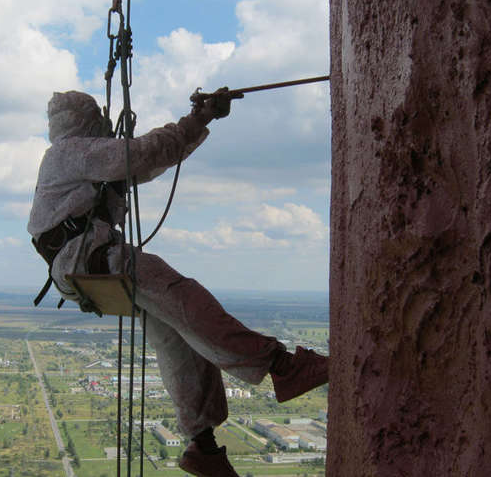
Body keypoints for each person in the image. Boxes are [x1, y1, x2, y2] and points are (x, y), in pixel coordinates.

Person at [28, 90, 329, 476]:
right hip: (88, 258)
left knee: (177, 334)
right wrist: (196, 120)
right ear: (87, 120)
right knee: (185, 299)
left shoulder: (79, 160)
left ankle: (202, 446)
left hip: (83, 262)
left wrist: (198, 122)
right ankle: (282, 367)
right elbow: (141, 154)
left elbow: (148, 161)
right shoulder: (68, 154)